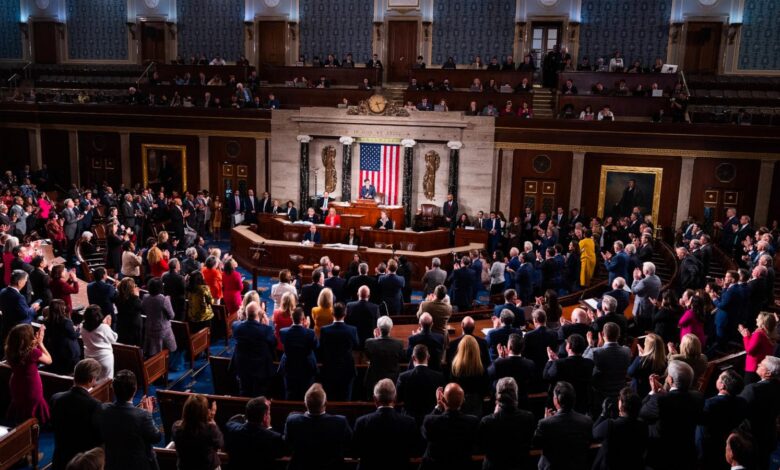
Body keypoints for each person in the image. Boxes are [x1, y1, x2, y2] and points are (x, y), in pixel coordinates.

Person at [640, 360, 704, 470]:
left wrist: (653, 393)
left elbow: (642, 412)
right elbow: (678, 401)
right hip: (686, 452)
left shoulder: (661, 400)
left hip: (661, 454)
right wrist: (664, 393)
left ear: (670, 379)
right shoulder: (698, 397)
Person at [99, 370, 161, 470]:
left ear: (113, 389)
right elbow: (156, 437)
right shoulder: (143, 415)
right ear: (135, 389)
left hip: (111, 464)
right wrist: (149, 414)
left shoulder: (103, 409)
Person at [353, 379, 420, 470]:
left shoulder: (361, 422)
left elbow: (355, 452)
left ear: (375, 399)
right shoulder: (409, 422)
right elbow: (415, 452)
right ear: (395, 398)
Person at [283, 383, 352, 470]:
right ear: (326, 403)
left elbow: (287, 444)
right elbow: (350, 446)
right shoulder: (340, 422)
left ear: (305, 403)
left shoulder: (292, 420)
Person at [51, 359, 104, 470]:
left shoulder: (56, 398)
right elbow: (99, 437)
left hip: (60, 459)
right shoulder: (94, 405)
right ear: (91, 380)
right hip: (82, 463)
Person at [532, 381, 593, 470]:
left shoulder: (545, 423)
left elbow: (536, 444)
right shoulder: (587, 421)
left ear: (556, 400)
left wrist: (546, 419)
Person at [477, 377, 535, 470]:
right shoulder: (528, 417)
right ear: (516, 394)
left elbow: (481, 446)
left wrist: (494, 416)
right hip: (520, 465)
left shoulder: (487, 421)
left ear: (497, 396)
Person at [420, 383, 480, 470]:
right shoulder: (472, 422)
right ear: (463, 401)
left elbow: (424, 433)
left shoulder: (430, 421)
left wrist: (438, 406)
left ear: (443, 400)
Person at [696, 370, 748, 470]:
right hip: (728, 446)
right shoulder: (742, 402)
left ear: (722, 386)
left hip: (708, 450)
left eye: (719, 377)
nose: (717, 379)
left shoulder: (710, 404)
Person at [592, 387, 648, 470]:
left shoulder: (610, 425)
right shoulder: (643, 425)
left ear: (621, 406)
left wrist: (603, 415)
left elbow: (593, 433)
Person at [5, 323, 51, 424]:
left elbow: (25, 350)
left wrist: (36, 343)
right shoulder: (33, 352)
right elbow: (49, 360)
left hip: (16, 382)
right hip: (30, 385)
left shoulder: (10, 350)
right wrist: (40, 343)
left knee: (21, 405)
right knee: (32, 408)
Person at [739, 356, 780, 469]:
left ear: (768, 373)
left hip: (749, 438)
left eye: (761, 364)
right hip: (769, 436)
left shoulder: (753, 389)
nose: (758, 365)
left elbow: (737, 410)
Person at [584, 322, 632, 416]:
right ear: (618, 335)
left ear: (602, 334)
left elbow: (583, 362)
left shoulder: (596, 352)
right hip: (620, 395)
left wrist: (590, 345)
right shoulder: (627, 350)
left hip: (601, 397)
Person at [224, 396, 285, 469]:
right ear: (265, 417)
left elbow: (233, 421)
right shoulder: (273, 438)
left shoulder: (232, 428)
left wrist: (250, 414)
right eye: (268, 413)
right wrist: (268, 426)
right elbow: (282, 452)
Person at [231, 301, 276, 397]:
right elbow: (273, 344)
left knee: (244, 392)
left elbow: (239, 323)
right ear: (259, 314)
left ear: (245, 313)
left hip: (243, 368)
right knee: (260, 394)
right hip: (260, 370)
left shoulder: (236, 326)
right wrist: (267, 325)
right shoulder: (266, 330)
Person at [543, 334, 593, 414]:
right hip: (582, 405)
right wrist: (557, 361)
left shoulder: (559, 364)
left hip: (562, 404)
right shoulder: (589, 363)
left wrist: (550, 361)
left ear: (568, 346)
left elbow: (546, 376)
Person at [318, 303, 359, 400]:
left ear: (332, 314)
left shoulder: (324, 330)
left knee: (330, 398)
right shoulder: (352, 329)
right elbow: (357, 345)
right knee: (346, 398)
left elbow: (320, 347)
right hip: (347, 368)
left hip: (329, 368)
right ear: (345, 314)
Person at [172, 394, 224, 470]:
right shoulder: (210, 429)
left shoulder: (176, 427)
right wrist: (212, 420)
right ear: (204, 412)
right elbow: (220, 444)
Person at [279, 308, 319, 399]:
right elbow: (316, 346)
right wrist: (307, 328)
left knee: (290, 393)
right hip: (306, 368)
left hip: (289, 367)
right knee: (306, 393)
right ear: (303, 319)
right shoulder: (310, 333)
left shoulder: (283, 332)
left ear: (291, 318)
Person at [488, 333, 535, 409]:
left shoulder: (499, 363)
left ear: (509, 347)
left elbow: (489, 374)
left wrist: (500, 358)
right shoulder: (530, 364)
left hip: (502, 404)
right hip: (523, 402)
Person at [364, 316, 405, 395]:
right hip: (393, 379)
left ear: (378, 328)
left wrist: (375, 338)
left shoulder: (369, 342)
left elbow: (368, 356)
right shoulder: (398, 343)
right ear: (391, 328)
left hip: (374, 379)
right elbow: (401, 357)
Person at [0, 270, 40, 342]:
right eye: (25, 281)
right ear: (19, 282)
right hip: (18, 329)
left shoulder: (3, 291)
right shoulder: (19, 297)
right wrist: (33, 309)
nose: (25, 283)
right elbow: (24, 314)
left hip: (6, 326)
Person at [43, 299, 80, 375]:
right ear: (61, 308)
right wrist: (78, 330)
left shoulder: (47, 321)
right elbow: (74, 335)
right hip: (68, 353)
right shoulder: (66, 322)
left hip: (55, 350)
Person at [141, 277, 177, 358]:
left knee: (152, 353)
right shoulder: (164, 299)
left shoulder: (145, 297)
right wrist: (169, 301)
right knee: (164, 352)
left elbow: (143, 310)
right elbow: (172, 316)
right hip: (163, 330)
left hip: (149, 328)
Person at [80, 305, 117, 380]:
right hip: (104, 358)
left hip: (88, 358)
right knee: (107, 382)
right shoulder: (103, 327)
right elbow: (114, 339)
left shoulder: (82, 327)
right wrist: (108, 325)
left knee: (92, 381)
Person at [738, 312, 777, 384]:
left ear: (762, 321)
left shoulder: (759, 334)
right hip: (762, 367)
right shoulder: (770, 333)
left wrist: (745, 337)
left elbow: (749, 350)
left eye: (758, 318)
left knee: (748, 387)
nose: (756, 319)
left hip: (753, 367)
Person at [627, 332, 667, 396]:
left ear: (647, 346)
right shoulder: (664, 361)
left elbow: (630, 372)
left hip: (639, 392)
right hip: (655, 392)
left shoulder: (641, 360)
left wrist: (640, 357)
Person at [631, 261, 661, 332]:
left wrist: (635, 279)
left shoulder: (644, 282)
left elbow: (634, 291)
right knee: (647, 324)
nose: (642, 270)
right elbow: (645, 284)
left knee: (639, 326)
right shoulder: (657, 278)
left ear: (646, 271)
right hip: (650, 307)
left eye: (643, 269)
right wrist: (640, 278)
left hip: (641, 310)